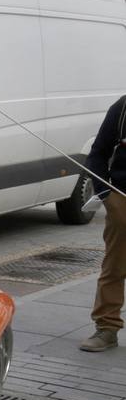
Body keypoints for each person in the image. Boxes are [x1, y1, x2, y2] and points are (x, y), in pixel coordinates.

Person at [80, 96, 126, 352]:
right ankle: (107, 329)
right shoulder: (122, 108)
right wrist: (108, 196)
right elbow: (97, 154)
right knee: (114, 267)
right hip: (122, 201)